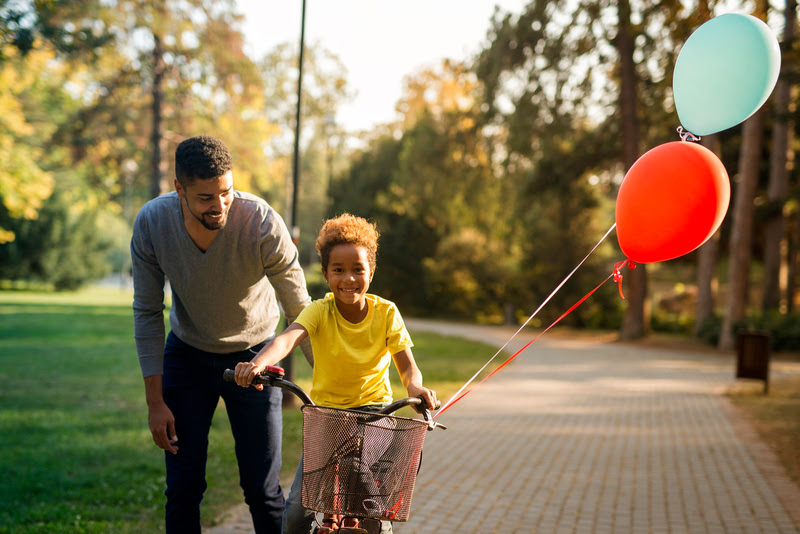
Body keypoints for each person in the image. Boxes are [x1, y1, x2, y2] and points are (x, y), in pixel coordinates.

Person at [131, 135, 313, 533]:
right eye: (205, 197)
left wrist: (336, 387)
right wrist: (154, 401)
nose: (219, 205)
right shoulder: (152, 222)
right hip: (187, 355)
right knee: (183, 487)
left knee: (262, 491)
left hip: (256, 358)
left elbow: (301, 311)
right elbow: (147, 313)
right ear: (179, 188)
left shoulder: (262, 222)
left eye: (226, 192)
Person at [234, 213, 437, 534]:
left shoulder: (386, 313)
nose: (349, 279)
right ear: (326, 274)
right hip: (327, 419)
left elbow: (407, 366)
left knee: (375, 510)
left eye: (358, 269)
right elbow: (287, 338)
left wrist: (416, 387)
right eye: (338, 270)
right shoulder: (319, 310)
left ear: (371, 271)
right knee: (297, 513)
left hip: (375, 417)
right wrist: (258, 363)